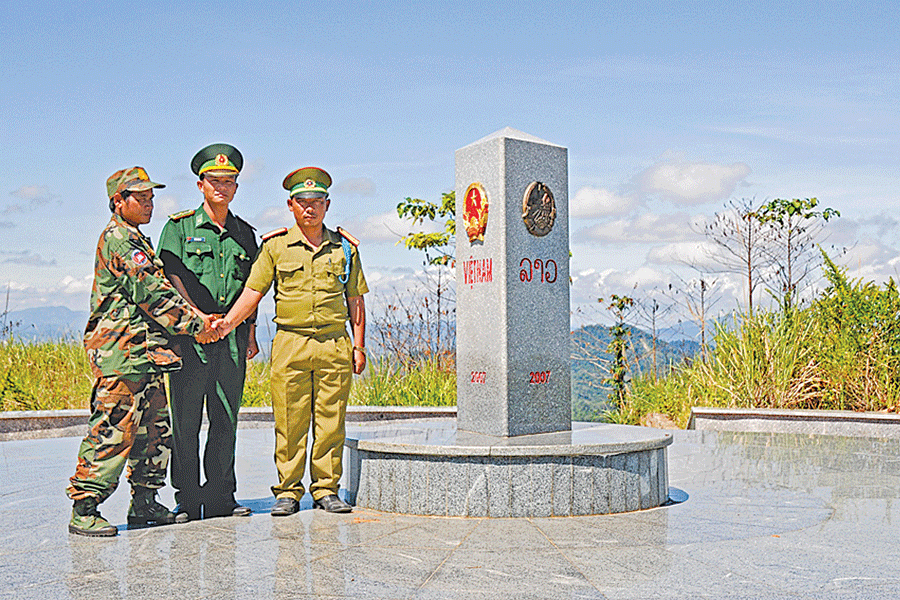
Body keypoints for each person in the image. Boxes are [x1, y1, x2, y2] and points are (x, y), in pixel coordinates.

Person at [67, 167, 218, 537]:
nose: (150, 203)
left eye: (152, 196)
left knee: (154, 433)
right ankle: (84, 507)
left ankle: (145, 502)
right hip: (122, 355)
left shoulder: (136, 239)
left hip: (148, 355)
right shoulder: (119, 240)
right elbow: (154, 295)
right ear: (118, 201)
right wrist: (200, 326)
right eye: (141, 197)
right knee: (112, 431)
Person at [214, 166, 367, 514]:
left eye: (316, 202)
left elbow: (355, 300)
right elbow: (253, 292)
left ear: (327, 205)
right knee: (289, 420)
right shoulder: (276, 247)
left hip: (333, 343)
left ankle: (326, 489)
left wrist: (359, 345)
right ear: (290, 205)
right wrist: (226, 324)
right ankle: (287, 491)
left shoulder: (344, 248)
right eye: (302, 202)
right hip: (291, 343)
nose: (309, 209)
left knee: (331, 421)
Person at [157, 143, 259, 522]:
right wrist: (197, 319)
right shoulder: (179, 227)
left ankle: (220, 495)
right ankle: (187, 495)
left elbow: (253, 285)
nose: (222, 187)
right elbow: (171, 276)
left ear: (236, 187)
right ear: (200, 184)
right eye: (214, 181)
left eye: (229, 181)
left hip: (230, 335)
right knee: (186, 418)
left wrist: (247, 331)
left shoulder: (245, 233)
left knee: (225, 416)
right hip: (191, 337)